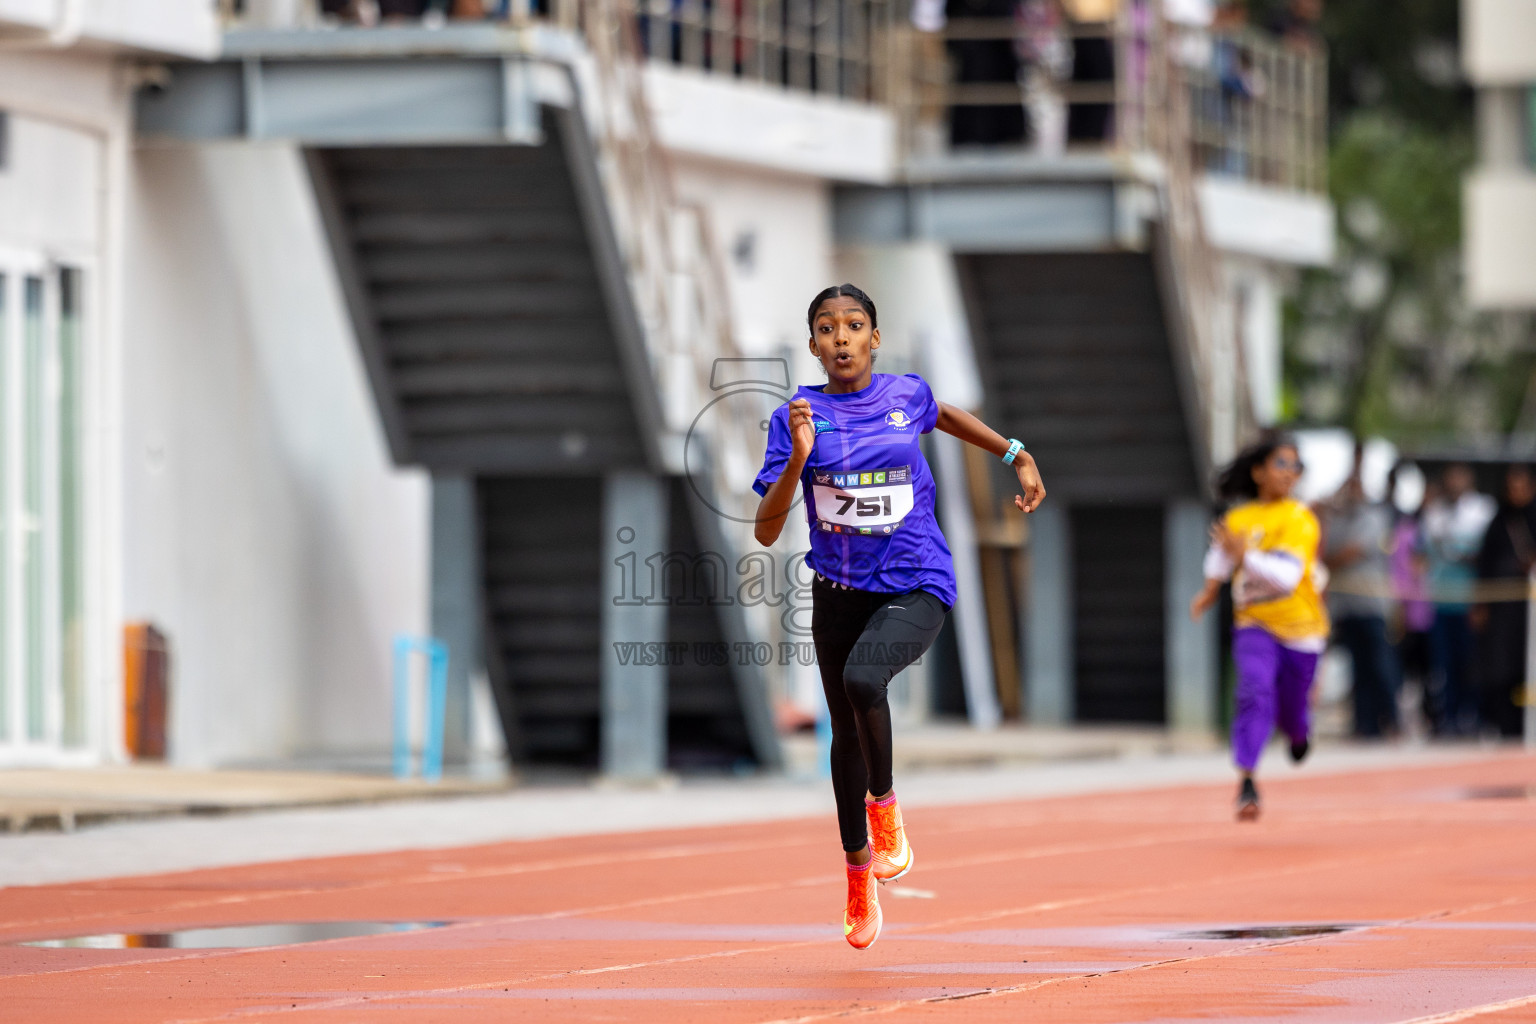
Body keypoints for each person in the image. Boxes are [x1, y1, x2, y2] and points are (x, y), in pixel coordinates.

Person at [753, 284, 1045, 949]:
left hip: (916, 582)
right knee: (844, 736)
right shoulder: (795, 418)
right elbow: (768, 532)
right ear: (813, 346)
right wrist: (799, 458)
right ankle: (859, 872)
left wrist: (1013, 453)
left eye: (854, 325)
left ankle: (885, 810)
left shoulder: (905, 396)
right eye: (827, 328)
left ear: (874, 339)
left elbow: (943, 413)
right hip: (838, 591)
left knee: (864, 683)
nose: (842, 338)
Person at [1190, 433, 1328, 821]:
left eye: (1295, 466)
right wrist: (1208, 591)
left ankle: (1299, 734)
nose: (1289, 473)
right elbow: (1219, 559)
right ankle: (1247, 779)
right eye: (1282, 463)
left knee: (1292, 714)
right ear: (1258, 472)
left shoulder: (1300, 519)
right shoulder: (1238, 519)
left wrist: (1245, 556)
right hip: (1254, 624)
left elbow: (1286, 576)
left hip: (1301, 631)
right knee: (1253, 690)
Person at [1321, 443, 1399, 738]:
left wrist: (1331, 560)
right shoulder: (1339, 520)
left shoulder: (1375, 517)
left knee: (1381, 665)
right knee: (1358, 669)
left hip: (1372, 605)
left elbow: (1349, 553)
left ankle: (1391, 719)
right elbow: (1327, 551)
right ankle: (1365, 724)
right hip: (1347, 606)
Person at [1421, 463, 1496, 736]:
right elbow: (1426, 554)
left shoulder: (1482, 510)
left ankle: (1473, 715)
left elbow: (1487, 555)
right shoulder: (1435, 512)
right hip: (1442, 600)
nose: (1454, 483)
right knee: (1444, 665)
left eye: (1459, 478)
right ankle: (1448, 717)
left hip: (1471, 601)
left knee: (1471, 662)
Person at [1473, 465, 1536, 738]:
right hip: (1502, 613)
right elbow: (1484, 566)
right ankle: (1506, 728)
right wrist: (1480, 605)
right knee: (1502, 671)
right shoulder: (1498, 523)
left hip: (1530, 612)